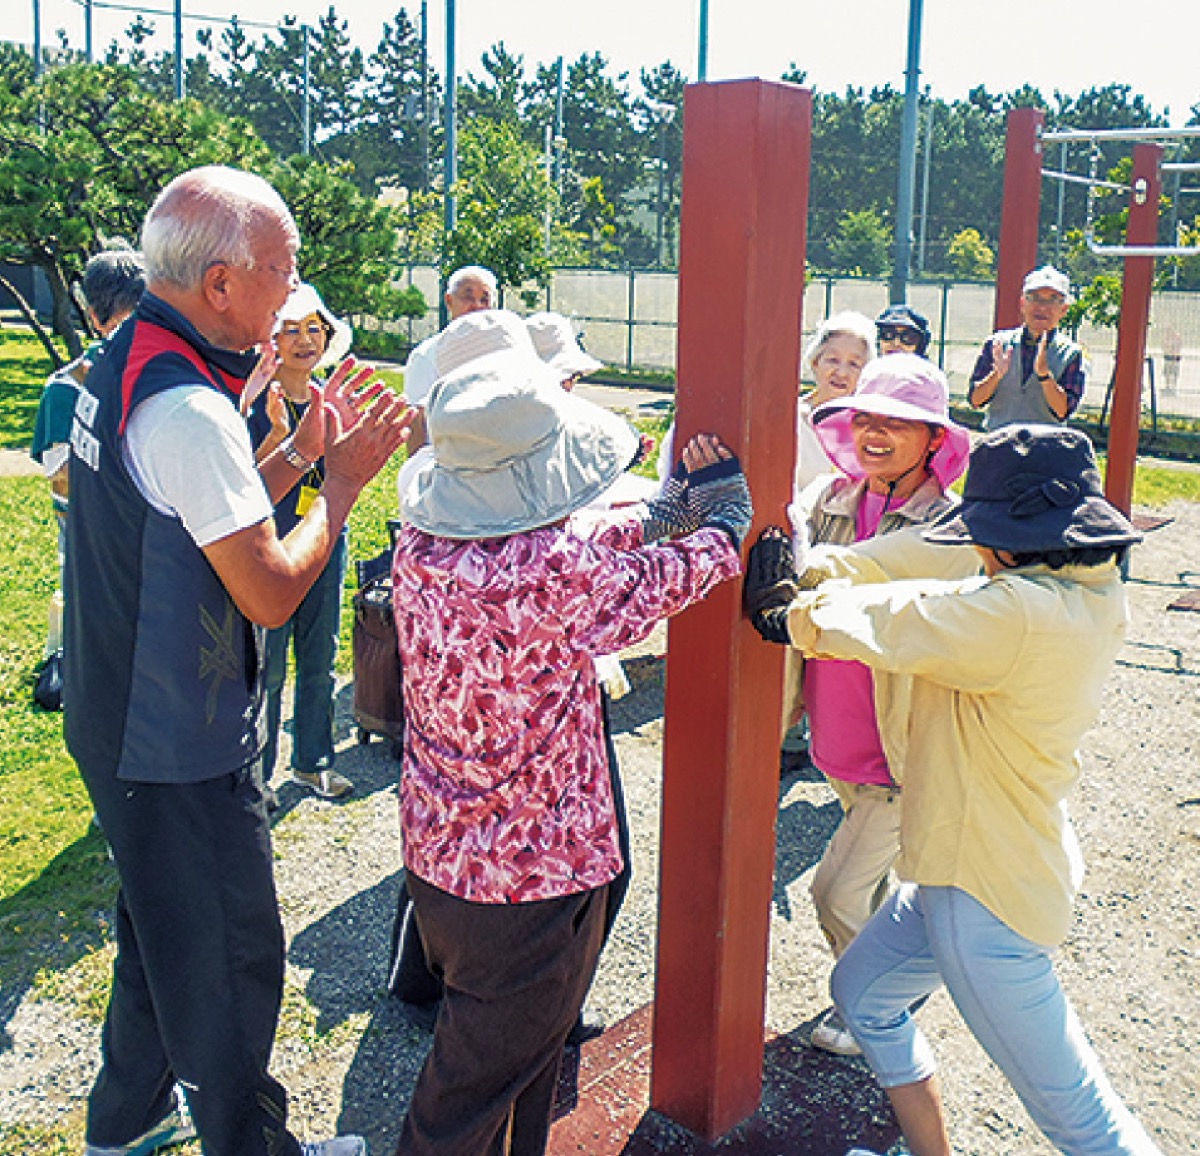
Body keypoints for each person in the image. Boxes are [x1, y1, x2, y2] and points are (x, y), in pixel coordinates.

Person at [64, 164, 413, 1156]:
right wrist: (340, 490)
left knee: (159, 927)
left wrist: (299, 456)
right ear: (220, 284)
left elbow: (198, 516)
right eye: (281, 267)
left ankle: (125, 1123)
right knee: (229, 954)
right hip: (171, 732)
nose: (294, 286)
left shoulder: (133, 354)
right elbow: (263, 584)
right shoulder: (190, 409)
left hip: (121, 702)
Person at [745, 425, 1163, 1156]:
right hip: (973, 865)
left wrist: (792, 615)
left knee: (1083, 1122)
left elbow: (911, 616)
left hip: (985, 902)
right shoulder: (1075, 591)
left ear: (1008, 537)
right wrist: (821, 571)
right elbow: (929, 577)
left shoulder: (1018, 615)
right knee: (864, 997)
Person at [391, 308, 751, 1156]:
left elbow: (584, 547)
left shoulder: (422, 547)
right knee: (467, 1094)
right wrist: (722, 523)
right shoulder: (554, 572)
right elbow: (657, 575)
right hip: (532, 880)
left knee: (511, 1071)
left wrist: (667, 510)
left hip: (445, 862)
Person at [785, 354, 975, 1056]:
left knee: (835, 892)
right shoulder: (828, 499)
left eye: (900, 423)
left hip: (901, 752)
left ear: (933, 441)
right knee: (868, 881)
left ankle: (875, 1004)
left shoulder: (951, 527)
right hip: (836, 743)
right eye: (865, 417)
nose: (875, 433)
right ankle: (887, 979)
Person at [247, 283, 356, 802]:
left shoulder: (329, 400)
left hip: (324, 539)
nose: (305, 340)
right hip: (268, 543)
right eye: (291, 329)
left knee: (320, 655)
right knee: (265, 664)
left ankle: (312, 762)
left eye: (314, 328)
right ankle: (259, 774)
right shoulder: (251, 401)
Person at [30, 247, 146, 667]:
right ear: (97, 321)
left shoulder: (161, 380)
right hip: (96, 554)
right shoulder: (69, 388)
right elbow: (62, 477)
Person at [968, 265, 1085, 429]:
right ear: (1023, 303)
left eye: (1052, 300)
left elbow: (1063, 411)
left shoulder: (1070, 354)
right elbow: (975, 400)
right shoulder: (998, 344)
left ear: (1064, 309)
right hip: (999, 444)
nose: (1042, 307)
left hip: (1047, 446)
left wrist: (1045, 376)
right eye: (1035, 298)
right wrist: (997, 374)